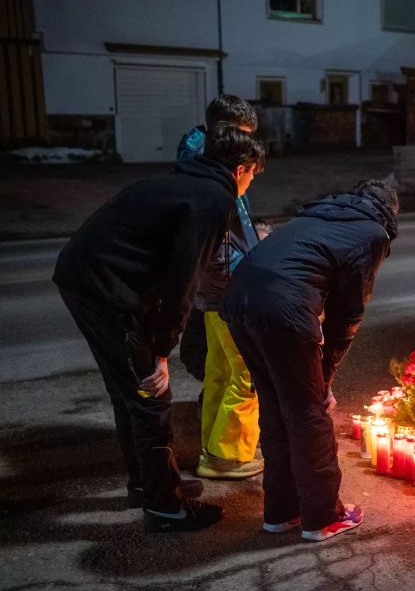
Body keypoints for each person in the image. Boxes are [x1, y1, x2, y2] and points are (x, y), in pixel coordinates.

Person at [53, 124, 266, 532]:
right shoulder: (214, 200)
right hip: (101, 288)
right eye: (254, 174)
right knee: (150, 391)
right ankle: (165, 508)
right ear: (241, 168)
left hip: (93, 277)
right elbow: (183, 281)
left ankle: (148, 484)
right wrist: (162, 351)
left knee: (130, 389)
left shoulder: (183, 181)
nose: (251, 183)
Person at [220, 179, 399, 541]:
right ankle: (323, 517)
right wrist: (324, 379)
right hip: (282, 308)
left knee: (274, 407)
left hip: (238, 301)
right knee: (307, 414)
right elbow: (346, 315)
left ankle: (282, 512)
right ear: (390, 215)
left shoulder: (319, 216)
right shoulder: (371, 235)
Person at [177, 96, 259, 388]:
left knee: (220, 371)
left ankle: (214, 426)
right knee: (243, 377)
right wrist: (246, 273)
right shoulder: (210, 167)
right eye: (243, 136)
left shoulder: (217, 161)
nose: (248, 146)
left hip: (226, 278)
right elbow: (218, 238)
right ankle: (229, 432)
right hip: (226, 284)